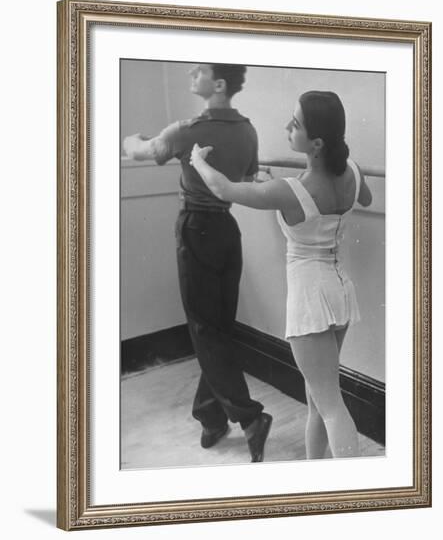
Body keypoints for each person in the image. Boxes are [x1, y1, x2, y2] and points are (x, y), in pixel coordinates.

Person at [190, 90, 373, 459]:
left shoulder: (289, 191)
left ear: (316, 142)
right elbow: (364, 199)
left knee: (331, 405)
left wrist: (197, 160)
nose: (288, 127)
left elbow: (223, 187)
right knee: (317, 398)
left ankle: (352, 494)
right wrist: (271, 185)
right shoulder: (351, 171)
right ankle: (314, 475)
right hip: (338, 292)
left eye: (296, 123)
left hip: (310, 299)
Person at [123, 64, 272, 463]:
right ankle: (210, 416)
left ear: (218, 85)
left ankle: (250, 417)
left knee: (205, 330)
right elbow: (250, 175)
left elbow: (143, 150)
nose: (192, 73)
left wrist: (127, 138)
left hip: (195, 230)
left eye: (200, 70)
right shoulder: (249, 130)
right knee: (218, 328)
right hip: (228, 230)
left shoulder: (187, 129)